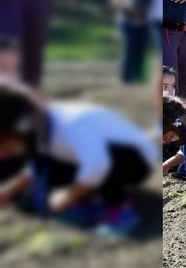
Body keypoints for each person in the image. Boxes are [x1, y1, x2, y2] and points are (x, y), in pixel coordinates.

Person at [0, 81, 155, 236]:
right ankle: (90, 198)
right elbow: (34, 167)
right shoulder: (37, 128)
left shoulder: (71, 125)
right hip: (87, 158)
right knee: (47, 166)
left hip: (135, 160)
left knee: (108, 160)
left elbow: (97, 166)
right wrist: (6, 193)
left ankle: (120, 212)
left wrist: (70, 195)